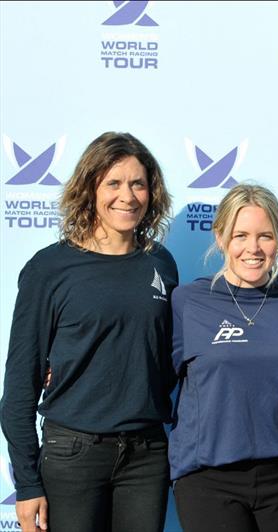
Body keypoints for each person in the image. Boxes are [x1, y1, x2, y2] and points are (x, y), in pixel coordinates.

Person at [0, 132, 177, 532]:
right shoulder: (50, 269)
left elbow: (164, 358)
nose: (127, 196)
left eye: (138, 183)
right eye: (113, 183)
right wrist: (27, 484)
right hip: (73, 455)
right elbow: (20, 385)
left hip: (146, 455)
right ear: (90, 187)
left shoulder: (161, 265)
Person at [170, 183, 278, 532]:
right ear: (221, 237)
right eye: (240, 235)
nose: (253, 248)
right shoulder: (189, 301)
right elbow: (152, 372)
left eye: (265, 236)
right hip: (208, 478)